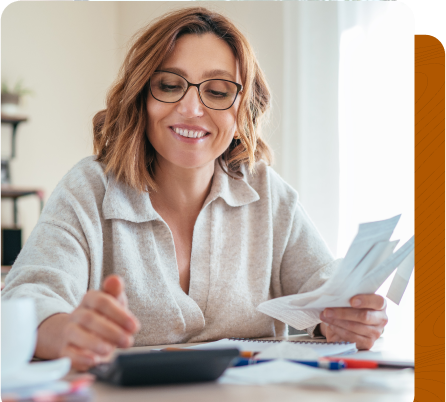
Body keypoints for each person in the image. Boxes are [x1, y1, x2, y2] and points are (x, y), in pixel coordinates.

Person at [0, 7, 387, 371]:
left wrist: (349, 321)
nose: (191, 108)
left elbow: (325, 292)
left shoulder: (268, 193)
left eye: (217, 92)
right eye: (169, 85)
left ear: (242, 111)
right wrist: (65, 332)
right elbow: (27, 297)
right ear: (142, 97)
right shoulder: (89, 189)